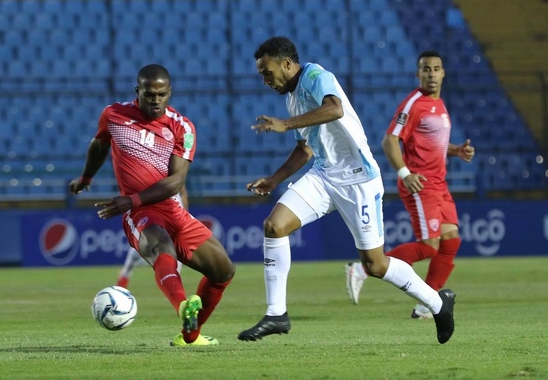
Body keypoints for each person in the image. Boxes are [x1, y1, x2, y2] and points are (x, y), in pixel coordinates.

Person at [237, 36, 455, 345]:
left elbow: (335, 109)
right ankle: (276, 314)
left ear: (286, 64)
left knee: (375, 265)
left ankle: (438, 304)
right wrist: (275, 179)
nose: (265, 80)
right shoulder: (292, 99)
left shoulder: (315, 75)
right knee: (274, 226)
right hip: (324, 176)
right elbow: (306, 149)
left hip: (358, 180)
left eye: (267, 71)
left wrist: (285, 124)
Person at [69, 64, 235, 347]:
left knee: (223, 271)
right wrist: (86, 177)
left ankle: (189, 336)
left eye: (161, 94)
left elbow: (175, 181)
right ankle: (183, 306)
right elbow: (99, 144)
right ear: (138, 91)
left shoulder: (182, 127)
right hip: (141, 212)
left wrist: (128, 199)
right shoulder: (114, 115)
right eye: (149, 94)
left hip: (170, 209)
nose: (156, 101)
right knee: (161, 248)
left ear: (169, 92)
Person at [346, 51, 475, 319]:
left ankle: (427, 304)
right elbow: (389, 140)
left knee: (451, 242)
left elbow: (431, 143)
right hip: (420, 183)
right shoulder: (414, 104)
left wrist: (456, 151)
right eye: (426, 69)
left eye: (436, 68)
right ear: (418, 74)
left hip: (440, 184)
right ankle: (364, 268)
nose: (431, 73)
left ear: (443, 73)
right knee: (429, 246)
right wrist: (405, 174)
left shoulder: (439, 105)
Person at [115, 184, 187, 289]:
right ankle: (123, 279)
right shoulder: (153, 177)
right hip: (158, 214)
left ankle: (174, 287)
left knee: (175, 255)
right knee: (138, 250)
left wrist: (185, 212)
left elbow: (183, 192)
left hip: (176, 215)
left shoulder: (173, 178)